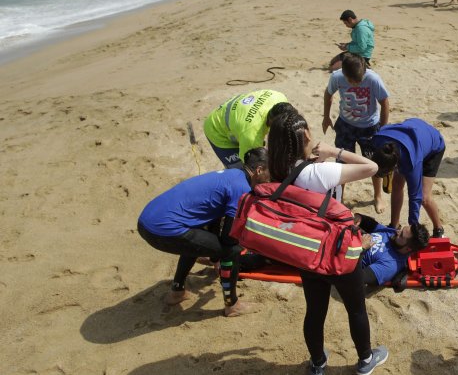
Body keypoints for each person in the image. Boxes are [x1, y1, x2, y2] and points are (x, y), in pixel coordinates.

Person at [266, 111, 388, 375]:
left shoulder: (280, 170)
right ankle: (365, 361)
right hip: (338, 250)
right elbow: (372, 167)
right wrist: (334, 151)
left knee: (315, 310)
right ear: (307, 136)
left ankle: (318, 363)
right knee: (356, 308)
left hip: (307, 249)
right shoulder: (320, 172)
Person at [137, 147, 270, 317]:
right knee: (233, 252)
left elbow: (212, 220)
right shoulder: (241, 189)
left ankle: (176, 292)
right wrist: (221, 256)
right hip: (162, 229)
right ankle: (232, 305)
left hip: (146, 220)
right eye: (270, 173)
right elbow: (229, 239)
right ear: (259, 170)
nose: (271, 178)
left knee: (196, 241)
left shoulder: (232, 174)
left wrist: (214, 257)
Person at [323, 53, 390, 213]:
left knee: (375, 162)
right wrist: (326, 117)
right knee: (342, 162)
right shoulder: (337, 77)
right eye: (352, 81)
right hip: (346, 125)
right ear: (344, 73)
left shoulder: (373, 79)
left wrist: (383, 127)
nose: (357, 83)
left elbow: (385, 102)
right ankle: (339, 197)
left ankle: (378, 196)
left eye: (359, 80)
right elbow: (328, 94)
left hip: (369, 127)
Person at [369, 118, 446, 238]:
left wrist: (412, 229)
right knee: (397, 185)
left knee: (424, 197)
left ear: (395, 166)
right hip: (410, 135)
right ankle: (394, 226)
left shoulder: (411, 164)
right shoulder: (377, 141)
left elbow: (415, 198)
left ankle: (439, 228)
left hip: (433, 146)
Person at [203, 90, 295, 168]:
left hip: (236, 116)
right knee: (242, 170)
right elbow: (251, 167)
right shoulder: (251, 135)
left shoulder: (279, 97)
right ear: (273, 122)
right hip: (216, 129)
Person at [356, 214, 431, 288]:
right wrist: (361, 218)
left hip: (347, 257)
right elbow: (373, 226)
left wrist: (361, 249)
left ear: (408, 249)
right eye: (401, 229)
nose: (397, 231)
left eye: (401, 235)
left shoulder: (390, 266)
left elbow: (358, 278)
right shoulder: (394, 236)